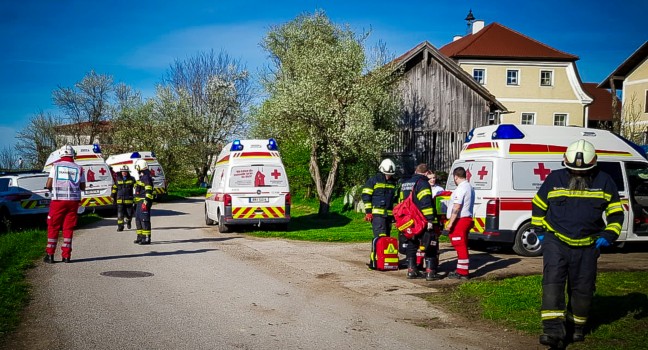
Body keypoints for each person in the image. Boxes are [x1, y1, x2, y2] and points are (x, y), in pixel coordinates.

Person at [531, 139, 623, 347]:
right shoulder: (554, 179)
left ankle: (576, 328)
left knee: (583, 289)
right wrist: (541, 233)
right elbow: (538, 205)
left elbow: (616, 214)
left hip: (589, 244)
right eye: (573, 170)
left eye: (582, 172)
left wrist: (608, 235)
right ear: (565, 163)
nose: (577, 174)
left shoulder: (605, 181)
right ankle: (553, 331)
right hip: (556, 241)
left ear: (593, 164)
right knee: (552, 284)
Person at [43, 145, 86, 263]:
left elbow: (48, 185)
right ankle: (66, 256)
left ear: (61, 154)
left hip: (58, 201)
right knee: (68, 228)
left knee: (53, 226)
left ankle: (50, 255)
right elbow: (82, 187)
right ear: (73, 154)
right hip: (73, 202)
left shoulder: (55, 167)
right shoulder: (79, 168)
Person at [398, 164, 439, 279]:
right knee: (430, 242)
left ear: (416, 171)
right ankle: (430, 272)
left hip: (409, 219)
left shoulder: (405, 183)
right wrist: (430, 219)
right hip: (421, 218)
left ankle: (411, 270)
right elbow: (426, 203)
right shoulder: (423, 183)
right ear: (426, 173)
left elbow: (401, 201)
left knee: (412, 242)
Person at [445, 166, 475, 280]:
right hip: (465, 219)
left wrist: (450, 223)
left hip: (461, 219)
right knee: (462, 244)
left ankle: (463, 272)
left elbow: (457, 207)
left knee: (459, 244)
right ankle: (461, 270)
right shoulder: (469, 187)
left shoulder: (461, 188)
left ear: (455, 176)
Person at [362, 159, 398, 239]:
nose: (389, 176)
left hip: (388, 216)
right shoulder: (373, 181)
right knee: (380, 237)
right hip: (377, 215)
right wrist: (368, 212)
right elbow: (366, 196)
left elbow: (394, 199)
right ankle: (376, 251)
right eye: (387, 174)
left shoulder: (393, 182)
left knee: (387, 238)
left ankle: (381, 251)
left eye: (390, 174)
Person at [133, 159, 154, 245]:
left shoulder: (146, 177)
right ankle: (140, 237)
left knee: (144, 220)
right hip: (139, 201)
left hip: (144, 201)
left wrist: (146, 201)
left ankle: (146, 238)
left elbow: (149, 190)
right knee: (138, 220)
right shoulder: (142, 176)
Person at [111, 165, 135, 232]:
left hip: (129, 200)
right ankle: (120, 227)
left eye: (125, 171)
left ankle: (128, 221)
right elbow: (114, 188)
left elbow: (136, 187)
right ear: (121, 172)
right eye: (123, 171)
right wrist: (112, 196)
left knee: (129, 214)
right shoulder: (118, 179)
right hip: (120, 200)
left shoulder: (132, 179)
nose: (124, 173)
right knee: (120, 215)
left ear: (128, 172)